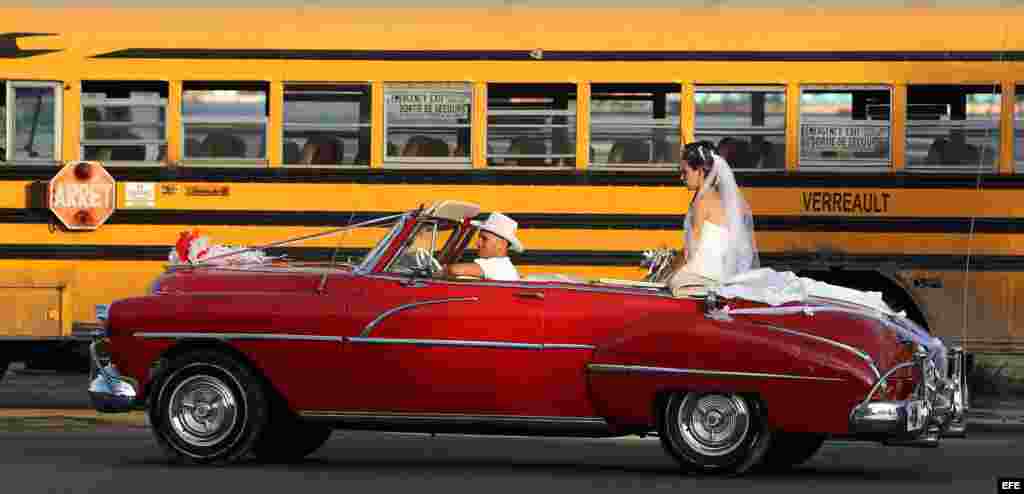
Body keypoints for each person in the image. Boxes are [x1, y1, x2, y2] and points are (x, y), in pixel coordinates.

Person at [665, 141, 758, 290]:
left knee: (669, 283)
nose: (681, 177)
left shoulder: (702, 201)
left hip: (703, 273)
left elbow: (691, 248)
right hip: (720, 271)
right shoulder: (719, 197)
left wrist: (670, 270)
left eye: (685, 172)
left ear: (701, 171)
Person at [444, 212, 523, 281]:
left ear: (501, 244)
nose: (477, 243)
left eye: (484, 239)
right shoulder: (504, 266)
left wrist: (442, 270)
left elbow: (455, 270)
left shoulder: (499, 266)